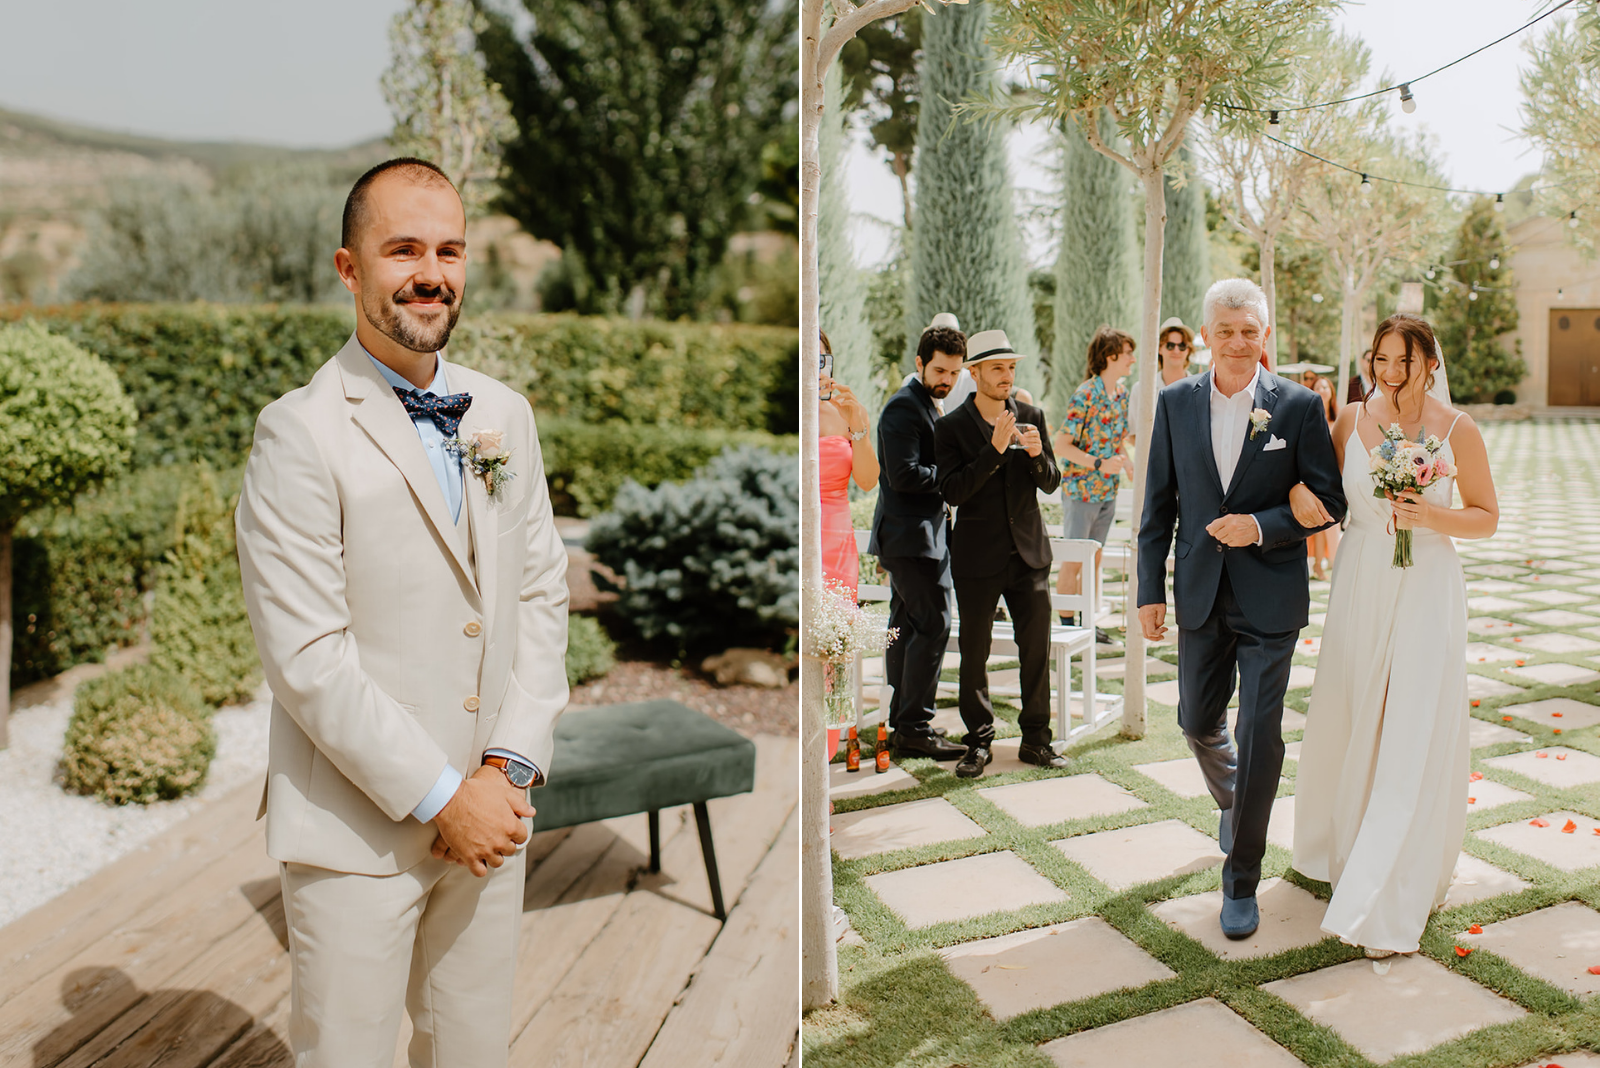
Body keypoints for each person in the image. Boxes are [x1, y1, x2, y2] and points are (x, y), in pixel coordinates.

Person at [235, 158, 570, 1066]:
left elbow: (539, 592)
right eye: (405, 250)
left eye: (450, 251)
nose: (432, 272)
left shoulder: (505, 414)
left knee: (472, 1051)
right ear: (350, 269)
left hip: (493, 816)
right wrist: (443, 798)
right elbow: (308, 658)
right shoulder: (299, 432)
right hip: (356, 831)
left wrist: (509, 766)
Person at [1137, 277, 1346, 940]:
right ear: (1206, 336)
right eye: (1224, 331)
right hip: (1200, 591)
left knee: (1260, 732)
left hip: (1271, 597)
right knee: (1197, 720)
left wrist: (1259, 525)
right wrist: (1148, 589)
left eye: (1248, 331)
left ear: (1265, 335)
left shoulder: (1298, 407)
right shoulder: (1174, 402)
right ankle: (1238, 797)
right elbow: (1158, 507)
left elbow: (1330, 503)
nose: (1236, 342)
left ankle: (1241, 880)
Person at [1293, 314, 1499, 959]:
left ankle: (1392, 879)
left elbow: (1487, 517)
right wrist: (1297, 491)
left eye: (1403, 361)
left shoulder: (1457, 429)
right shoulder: (1352, 420)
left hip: (1428, 583)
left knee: (1410, 719)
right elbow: (1319, 489)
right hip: (1361, 577)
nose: (1389, 373)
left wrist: (1429, 514)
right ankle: (1350, 844)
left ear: (1430, 363)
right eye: (1379, 359)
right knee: (1360, 712)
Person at [935, 329, 1068, 778]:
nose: (1007, 375)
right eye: (997, 368)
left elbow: (1050, 481)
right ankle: (978, 742)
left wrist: (1037, 456)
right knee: (975, 654)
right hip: (977, 557)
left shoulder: (1031, 415)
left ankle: (1036, 741)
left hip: (1029, 554)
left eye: (1011, 367)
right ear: (974, 373)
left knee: (1036, 652)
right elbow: (952, 491)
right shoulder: (950, 428)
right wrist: (993, 452)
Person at [869, 325, 969, 761]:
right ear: (920, 363)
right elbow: (903, 475)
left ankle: (902, 721)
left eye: (954, 372)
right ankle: (914, 726)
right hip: (912, 539)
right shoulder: (903, 407)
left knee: (906, 628)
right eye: (940, 370)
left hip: (915, 537)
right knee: (934, 625)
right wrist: (953, 476)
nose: (947, 379)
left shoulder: (927, 404)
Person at [1053, 326, 1135, 643]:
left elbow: (1114, 439)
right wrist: (1099, 463)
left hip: (1107, 492)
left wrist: (1125, 462)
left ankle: (1087, 622)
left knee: (1095, 559)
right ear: (1110, 356)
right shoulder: (1085, 394)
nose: (1132, 359)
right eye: (1127, 353)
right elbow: (1062, 446)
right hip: (1081, 492)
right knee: (1075, 559)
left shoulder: (1122, 395)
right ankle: (1066, 625)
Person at [818, 329, 879, 597]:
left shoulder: (848, 410)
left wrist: (857, 425)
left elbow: (867, 482)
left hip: (836, 538)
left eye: (820, 359)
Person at [1128, 316, 1195, 442]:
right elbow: (1133, 435)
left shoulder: (1200, 390)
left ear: (1188, 350)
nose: (1176, 350)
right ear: (1159, 348)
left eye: (1182, 346)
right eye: (1170, 345)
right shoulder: (1141, 389)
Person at [1304, 372, 1340, 580]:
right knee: (1317, 523)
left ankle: (1333, 561)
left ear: (1331, 392)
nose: (1322, 391)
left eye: (1325, 387)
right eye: (1318, 387)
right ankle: (1317, 564)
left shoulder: (1339, 419)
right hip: (1314, 478)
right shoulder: (1310, 418)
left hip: (1335, 480)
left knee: (1332, 523)